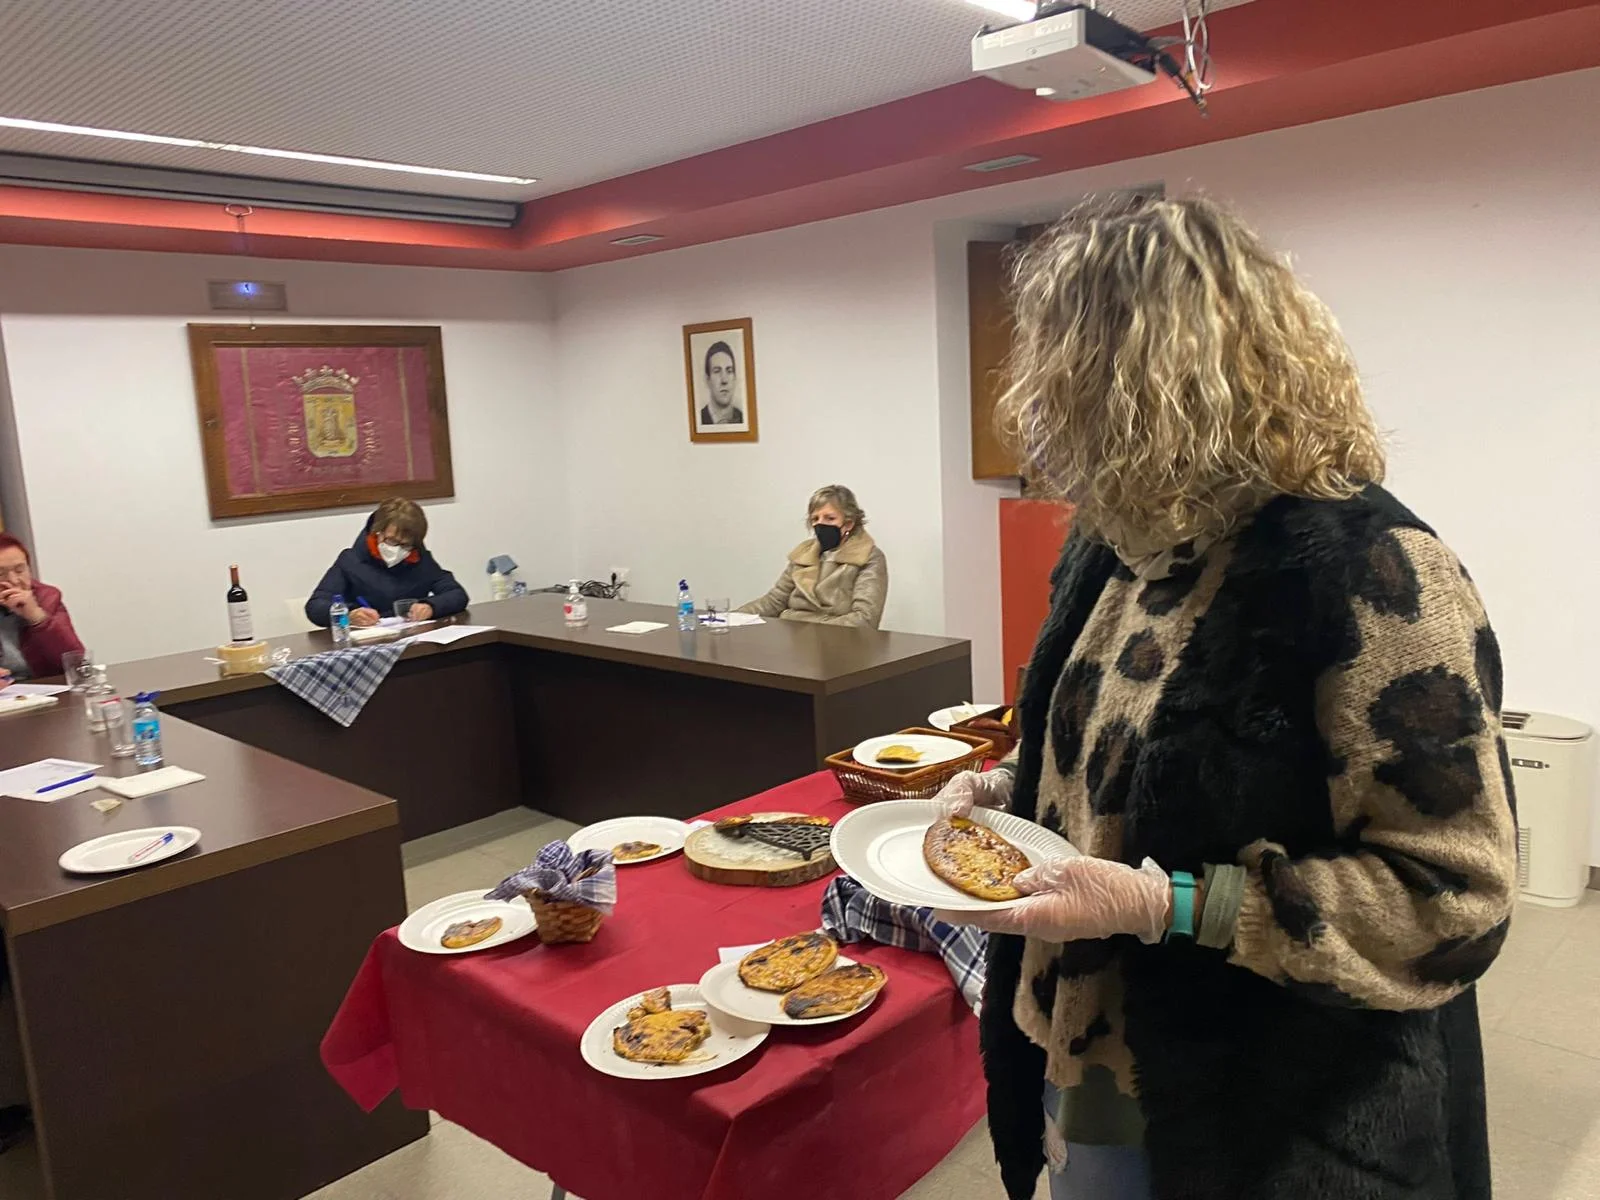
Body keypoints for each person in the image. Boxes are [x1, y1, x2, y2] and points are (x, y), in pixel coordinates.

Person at [934, 195, 1516, 1200]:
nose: (1041, 418)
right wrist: (1003, 787)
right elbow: (1106, 749)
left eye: (1064, 379)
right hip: (1086, 1040)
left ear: (1152, 386)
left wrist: (1168, 904)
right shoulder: (1124, 541)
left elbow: (1451, 900)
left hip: (1264, 1100)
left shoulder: (1367, 569)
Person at [738, 485, 887, 629]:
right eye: (815, 519)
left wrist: (803, 624)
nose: (820, 524)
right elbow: (774, 601)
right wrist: (732, 617)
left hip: (839, 641)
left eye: (830, 518)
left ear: (848, 523)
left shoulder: (869, 557)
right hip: (794, 638)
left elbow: (864, 620)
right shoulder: (804, 554)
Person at [305, 498, 467, 629]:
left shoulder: (420, 560)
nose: (397, 549)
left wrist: (431, 606)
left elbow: (457, 594)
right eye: (391, 541)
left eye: (405, 545)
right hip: (366, 644)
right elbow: (315, 606)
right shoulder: (351, 560)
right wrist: (349, 615)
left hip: (413, 640)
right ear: (377, 532)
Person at [0, 533, 84, 685]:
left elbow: (75, 662)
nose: (13, 581)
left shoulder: (46, 598)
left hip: (40, 690)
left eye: (20, 570)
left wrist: (36, 616)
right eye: (1, 574)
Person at [698, 341, 744, 426]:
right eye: (717, 371)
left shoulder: (743, 418)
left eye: (729, 371)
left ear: (735, 378)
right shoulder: (699, 419)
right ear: (707, 380)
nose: (724, 380)